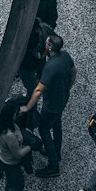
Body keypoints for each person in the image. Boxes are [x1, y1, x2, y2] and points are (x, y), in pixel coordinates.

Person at [22, 32, 74, 178]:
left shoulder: (50, 66)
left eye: (46, 43)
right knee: (57, 125)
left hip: (51, 103)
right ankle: (57, 151)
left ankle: (53, 165)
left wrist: (28, 106)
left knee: (44, 130)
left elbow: (39, 89)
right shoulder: (65, 56)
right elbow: (73, 71)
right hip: (63, 98)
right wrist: (67, 87)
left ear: (50, 47)